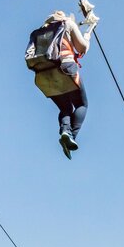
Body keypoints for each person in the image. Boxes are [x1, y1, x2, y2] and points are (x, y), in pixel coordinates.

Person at [42, 10, 96, 159]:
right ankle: (71, 135)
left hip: (43, 73)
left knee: (65, 107)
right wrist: (87, 35)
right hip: (65, 67)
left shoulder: (44, 29)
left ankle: (65, 132)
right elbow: (82, 48)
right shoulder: (67, 23)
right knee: (81, 104)